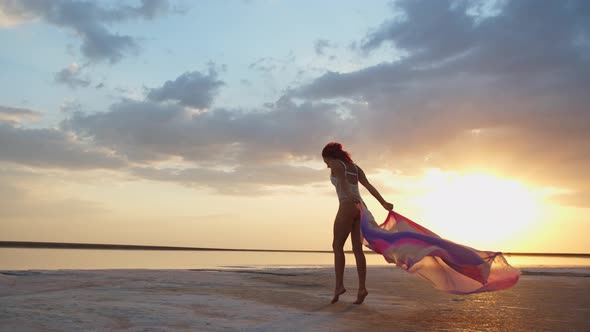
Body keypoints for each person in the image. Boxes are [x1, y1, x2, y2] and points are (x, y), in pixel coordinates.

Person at [322, 142, 393, 304]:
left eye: (325, 161)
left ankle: (339, 286)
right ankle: (362, 288)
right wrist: (383, 203)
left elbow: (342, 182)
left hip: (347, 204)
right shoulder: (355, 167)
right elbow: (368, 186)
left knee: (337, 246)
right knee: (357, 250)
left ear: (329, 156)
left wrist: (348, 195)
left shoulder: (335, 164)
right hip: (361, 207)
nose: (326, 165)